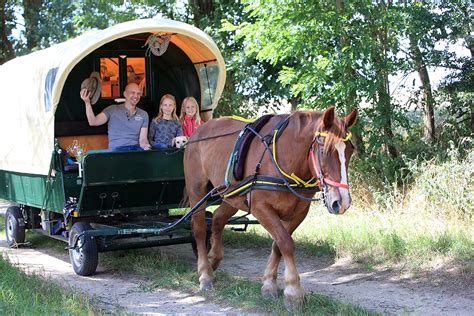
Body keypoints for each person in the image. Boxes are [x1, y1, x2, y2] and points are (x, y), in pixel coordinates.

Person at [80, 83, 151, 151]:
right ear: (125, 94)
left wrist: (146, 146)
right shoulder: (112, 109)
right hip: (117, 151)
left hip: (135, 150)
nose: (136, 96)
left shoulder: (143, 114)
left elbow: (143, 139)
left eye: (138, 93)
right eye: (133, 92)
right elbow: (93, 122)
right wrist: (87, 103)